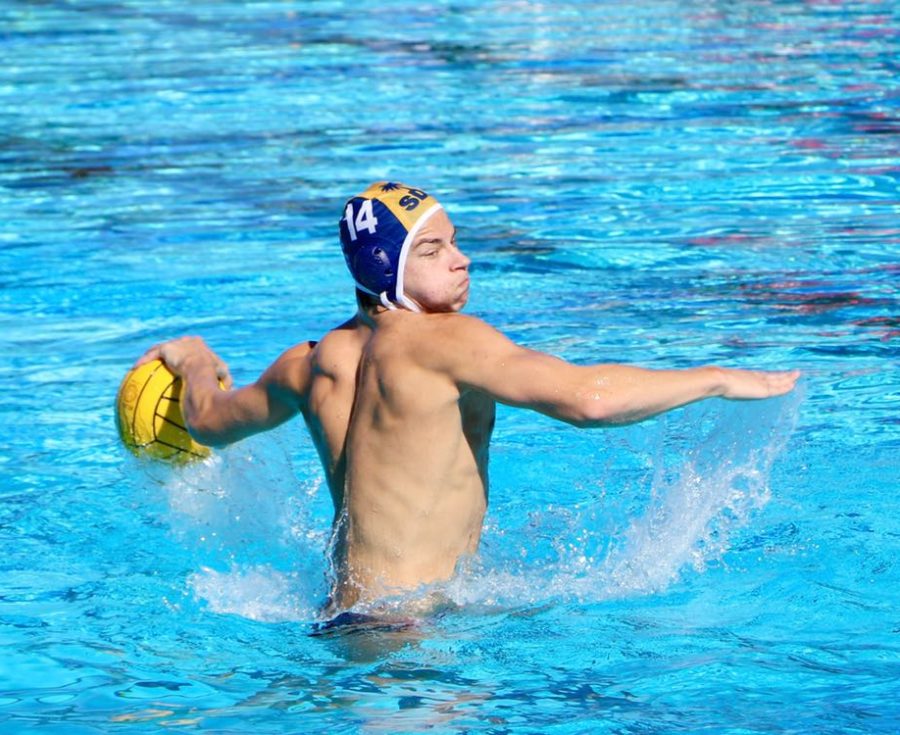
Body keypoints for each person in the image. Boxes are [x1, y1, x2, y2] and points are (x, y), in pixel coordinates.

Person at [136, 181, 799, 613]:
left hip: (340, 620)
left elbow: (208, 421)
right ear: (385, 269)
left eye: (455, 241)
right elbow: (587, 400)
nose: (462, 260)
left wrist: (194, 357)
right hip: (417, 646)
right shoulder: (442, 344)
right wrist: (714, 376)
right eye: (433, 249)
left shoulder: (312, 363)